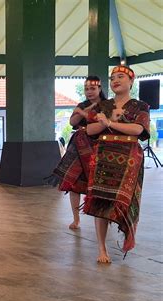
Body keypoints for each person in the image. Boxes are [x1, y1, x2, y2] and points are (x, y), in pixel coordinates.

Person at [83, 65, 150, 263]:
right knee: (101, 201)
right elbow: (90, 130)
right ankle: (102, 248)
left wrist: (110, 123)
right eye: (112, 78)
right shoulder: (104, 105)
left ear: (131, 82)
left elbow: (138, 129)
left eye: (120, 77)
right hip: (104, 156)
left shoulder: (140, 106)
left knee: (124, 201)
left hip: (129, 156)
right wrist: (104, 122)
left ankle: (125, 235)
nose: (115, 81)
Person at [52, 76, 106, 230]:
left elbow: (101, 122)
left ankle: (103, 218)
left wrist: (83, 114)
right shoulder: (83, 104)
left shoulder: (107, 105)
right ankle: (76, 219)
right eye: (86, 89)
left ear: (100, 89)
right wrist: (83, 111)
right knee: (73, 183)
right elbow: (72, 122)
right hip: (78, 144)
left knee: (99, 184)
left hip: (98, 146)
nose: (89, 91)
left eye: (92, 88)